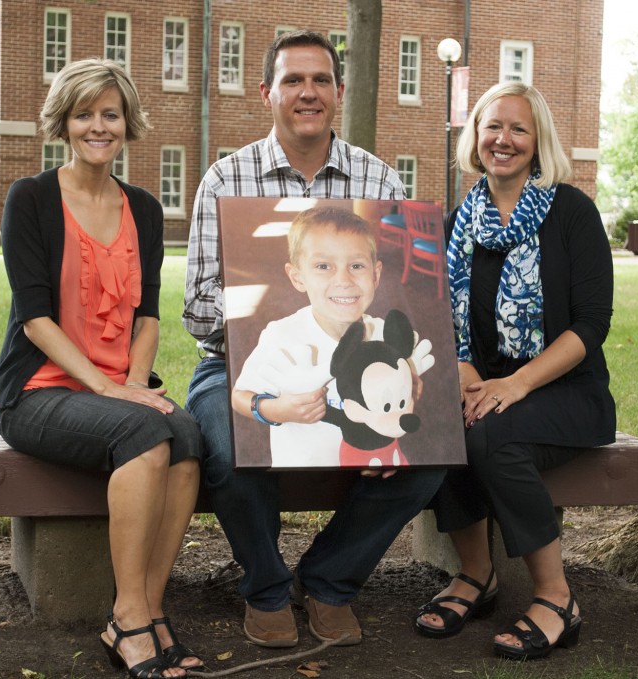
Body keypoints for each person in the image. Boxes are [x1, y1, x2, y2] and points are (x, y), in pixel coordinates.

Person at [183, 30, 445, 649]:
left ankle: (329, 582)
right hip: (242, 366)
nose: (308, 93)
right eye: (293, 80)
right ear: (268, 91)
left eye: (321, 80)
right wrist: (262, 309)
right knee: (226, 442)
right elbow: (195, 309)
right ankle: (268, 589)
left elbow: (404, 298)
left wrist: (407, 380)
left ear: (339, 91)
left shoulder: (376, 178)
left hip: (366, 369)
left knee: (429, 447)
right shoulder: (226, 178)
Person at [0, 59, 203, 678]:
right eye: (84, 113)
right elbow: (34, 319)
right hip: (38, 391)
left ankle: (152, 610)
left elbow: (148, 316)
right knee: (144, 434)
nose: (97, 125)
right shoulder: (30, 198)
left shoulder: (142, 206)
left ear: (126, 122)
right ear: (64, 121)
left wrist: (134, 384)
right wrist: (109, 388)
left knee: (186, 437)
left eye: (109, 113)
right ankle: (129, 618)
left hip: (117, 388)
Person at [413, 82, 615, 661]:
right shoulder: (459, 223)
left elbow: (591, 325)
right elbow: (449, 322)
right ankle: (477, 576)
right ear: (476, 137)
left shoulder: (571, 212)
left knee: (491, 431)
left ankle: (556, 598)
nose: (504, 139)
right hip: (489, 383)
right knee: (446, 419)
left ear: (537, 141)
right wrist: (467, 375)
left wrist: (514, 385)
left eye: (518, 129)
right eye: (493, 126)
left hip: (566, 391)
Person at [230, 206, 432, 468]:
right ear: (297, 277)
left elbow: (402, 402)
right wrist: (276, 410)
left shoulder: (386, 335)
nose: (343, 279)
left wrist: (411, 389)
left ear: (376, 274)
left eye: (356, 265)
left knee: (426, 482)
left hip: (374, 461)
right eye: (323, 266)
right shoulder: (282, 335)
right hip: (307, 471)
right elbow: (240, 396)